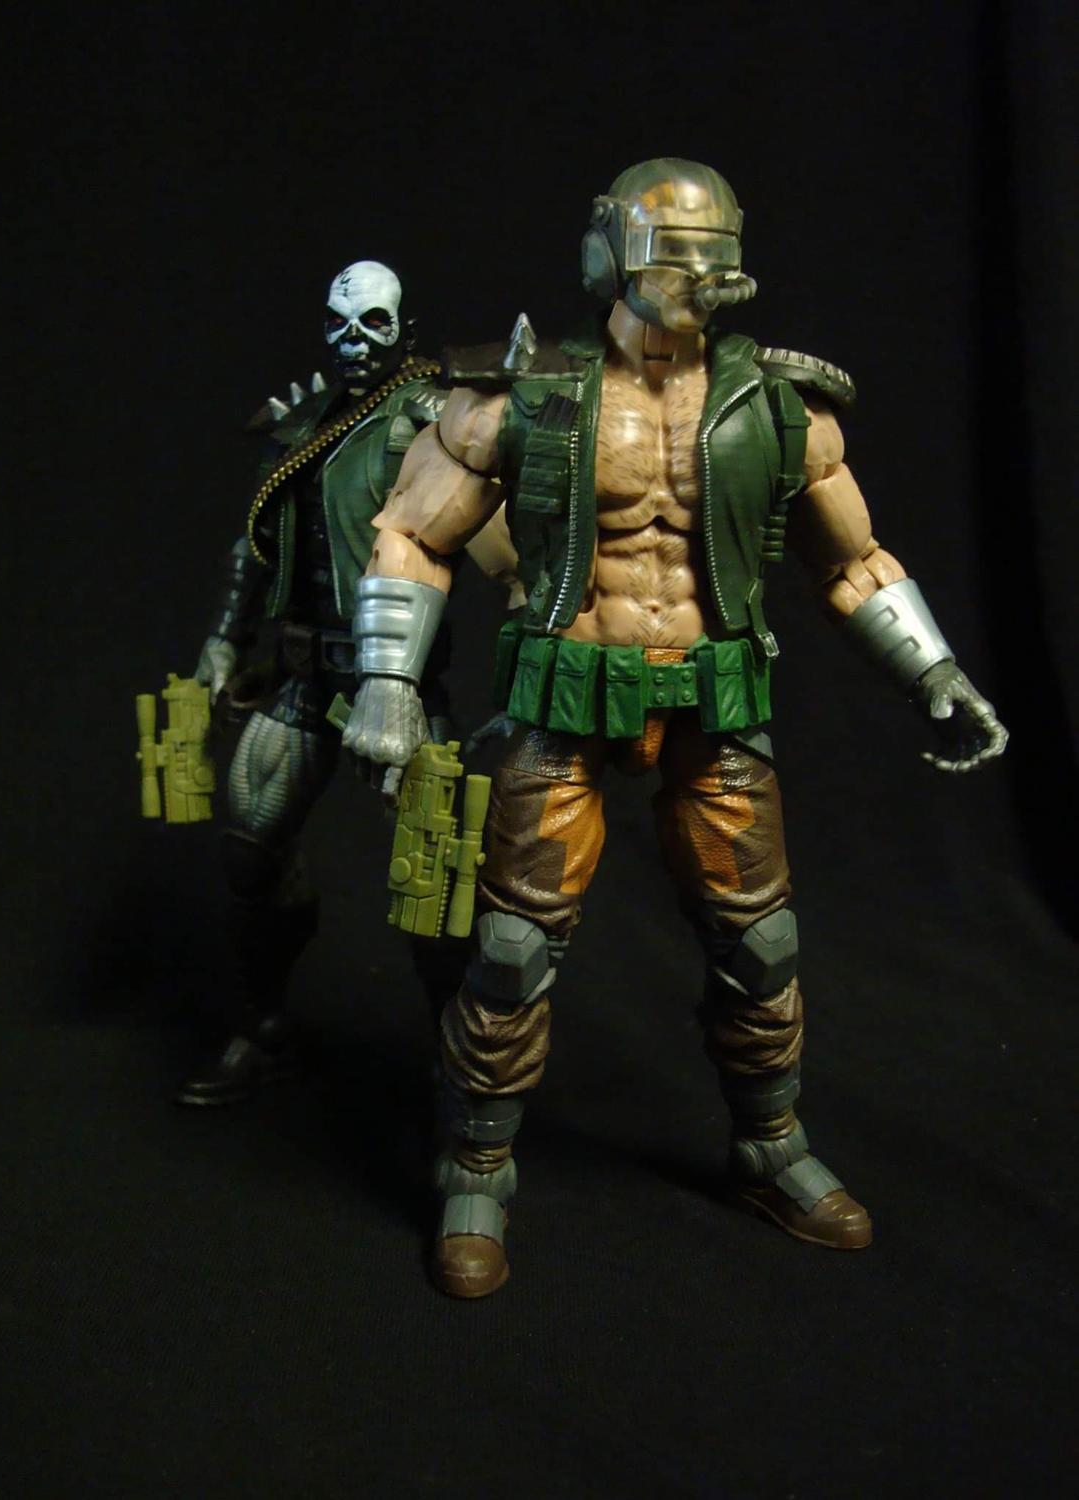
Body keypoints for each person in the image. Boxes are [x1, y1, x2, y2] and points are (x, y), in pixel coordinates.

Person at [342, 164, 1008, 1296]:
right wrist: (386, 681)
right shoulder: (518, 394)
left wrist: (932, 671)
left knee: (761, 943)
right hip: (566, 689)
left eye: (713, 253)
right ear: (608, 254)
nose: (696, 276)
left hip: (715, 695)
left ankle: (770, 1147)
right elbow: (412, 535)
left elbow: (851, 559)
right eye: (669, 250)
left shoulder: (778, 406)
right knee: (510, 950)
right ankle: (476, 1164)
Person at [179, 259, 515, 1106]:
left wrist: (526, 674)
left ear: (403, 330)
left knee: (434, 884)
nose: (353, 341)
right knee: (250, 853)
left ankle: (455, 1064)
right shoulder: (308, 423)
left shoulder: (433, 420)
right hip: (302, 676)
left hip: (398, 691)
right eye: (338, 323)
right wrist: (224, 640)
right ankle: (263, 1030)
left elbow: (507, 555)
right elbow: (257, 546)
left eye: (373, 325)